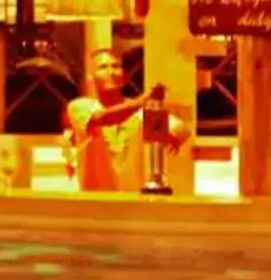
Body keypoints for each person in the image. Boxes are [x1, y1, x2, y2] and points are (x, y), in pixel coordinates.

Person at [62, 47, 186, 192]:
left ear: (124, 76)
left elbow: (181, 130)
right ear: (90, 76)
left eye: (115, 66)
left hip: (132, 203)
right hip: (94, 201)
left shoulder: (140, 112)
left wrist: (173, 133)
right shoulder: (80, 106)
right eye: (103, 67)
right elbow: (103, 118)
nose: (111, 71)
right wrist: (142, 101)